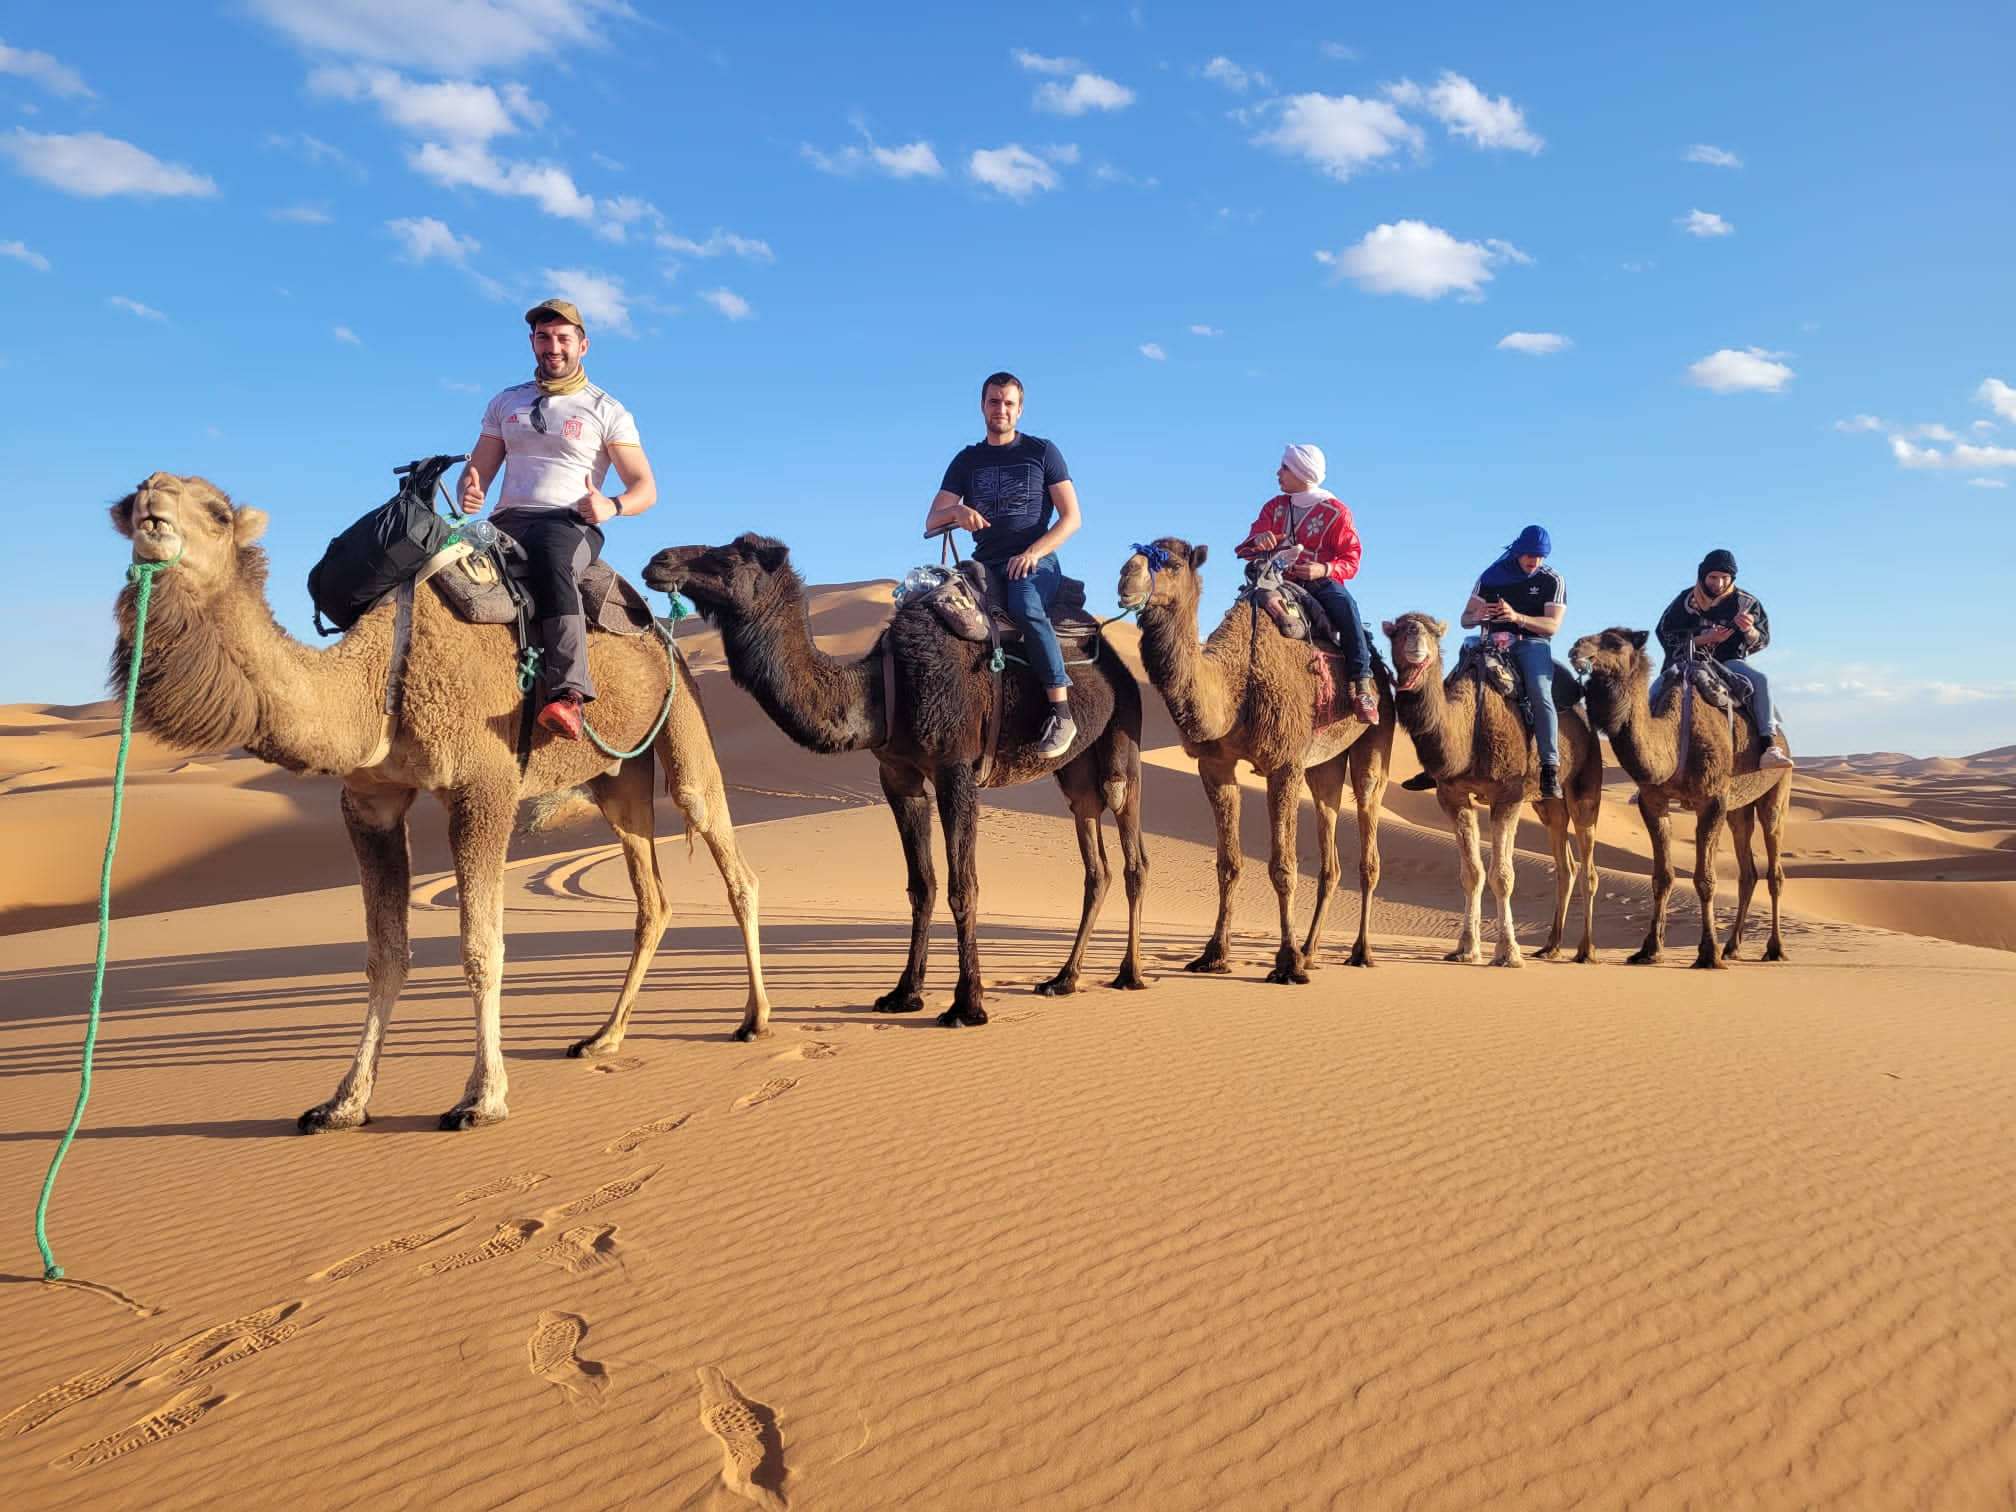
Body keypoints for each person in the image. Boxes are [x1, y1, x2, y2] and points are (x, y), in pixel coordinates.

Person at [457, 298, 657, 740]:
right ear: (532, 343)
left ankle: (570, 695)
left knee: (552, 559)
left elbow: (646, 488)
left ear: (582, 346)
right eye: (544, 338)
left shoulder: (607, 410)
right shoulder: (506, 402)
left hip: (571, 521)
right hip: (506, 520)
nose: (553, 347)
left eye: (563, 339)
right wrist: (469, 489)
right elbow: (478, 471)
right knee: (440, 559)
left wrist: (612, 505)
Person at [924, 371, 1082, 760]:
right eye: (994, 401)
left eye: (1009, 402)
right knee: (933, 609)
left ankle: (1061, 711)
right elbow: (932, 520)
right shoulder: (967, 460)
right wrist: (957, 511)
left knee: (1025, 607)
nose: (1001, 409)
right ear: (983, 406)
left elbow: (1072, 518)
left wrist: (1033, 553)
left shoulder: (1042, 452)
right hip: (984, 563)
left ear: (1020, 409)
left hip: (1035, 560)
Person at [1234, 443, 1379, 723]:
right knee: (1240, 612)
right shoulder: (1274, 507)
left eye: (1285, 467)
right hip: (1273, 580)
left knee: (1346, 607)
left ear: (1303, 472)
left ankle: (1362, 686)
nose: (1278, 473)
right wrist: (1259, 540)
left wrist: (1323, 569)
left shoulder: (1337, 512)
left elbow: (1352, 558)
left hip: (1320, 583)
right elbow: (1246, 546)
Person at [1655, 548, 1793, 769]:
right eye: (1713, 577)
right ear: (1703, 576)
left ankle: (1769, 747)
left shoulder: (1746, 603)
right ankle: (1646, 773)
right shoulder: (1685, 600)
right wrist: (1704, 638)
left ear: (1732, 578)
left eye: (1724, 578)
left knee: (1761, 680)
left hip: (1729, 662)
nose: (1718, 583)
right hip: (1687, 661)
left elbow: (1762, 640)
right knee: (1655, 693)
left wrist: (1749, 631)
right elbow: (1664, 632)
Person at [1461, 525, 1567, 798]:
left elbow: (1552, 625)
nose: (1536, 561)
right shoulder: (1491, 577)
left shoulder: (1551, 580)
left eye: (1541, 556)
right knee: (1456, 683)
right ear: (1519, 551)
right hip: (1490, 641)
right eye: (1531, 554)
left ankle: (1549, 767)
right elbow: (1465, 619)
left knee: (1541, 694)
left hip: (1531, 643)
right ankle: (1442, 759)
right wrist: (1480, 613)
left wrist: (1517, 616)